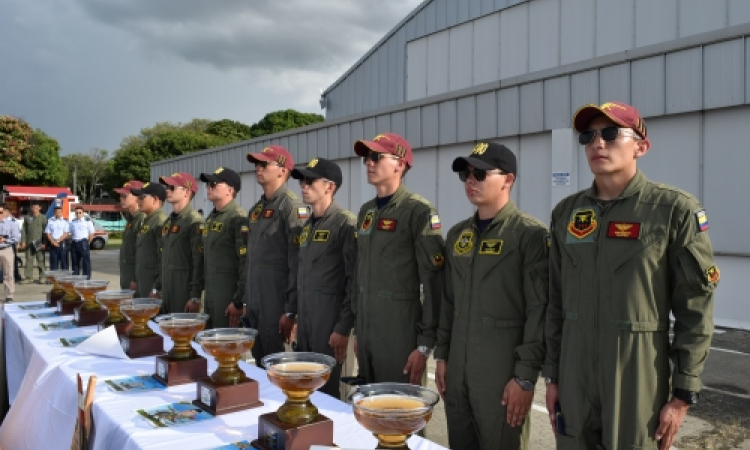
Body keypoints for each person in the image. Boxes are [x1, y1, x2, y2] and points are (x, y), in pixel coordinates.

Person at [544, 101, 718, 450]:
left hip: (637, 375)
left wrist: (683, 393)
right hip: (575, 376)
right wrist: (553, 375)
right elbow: (556, 300)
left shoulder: (673, 211)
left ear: (641, 146)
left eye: (610, 134)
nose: (597, 143)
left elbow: (695, 307)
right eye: (588, 136)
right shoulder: (567, 213)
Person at [434, 143, 549, 449]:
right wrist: (442, 356)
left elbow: (539, 312)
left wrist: (525, 377)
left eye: (481, 173)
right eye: (465, 174)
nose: (471, 180)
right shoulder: (459, 235)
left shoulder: (529, 236)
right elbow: (448, 301)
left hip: (500, 376)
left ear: (508, 180)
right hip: (458, 372)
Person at [352, 132, 445, 384]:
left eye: (376, 157)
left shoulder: (418, 211)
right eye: (366, 159)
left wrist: (424, 345)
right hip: (368, 332)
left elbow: (434, 282)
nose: (369, 163)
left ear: (400, 164)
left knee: (401, 415)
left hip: (399, 335)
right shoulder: (366, 212)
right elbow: (359, 274)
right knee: (369, 412)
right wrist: (359, 332)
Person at [290, 157, 357, 397]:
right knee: (305, 387)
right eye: (302, 181)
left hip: (330, 324)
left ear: (329, 186)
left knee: (329, 392)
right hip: (307, 321)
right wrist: (295, 314)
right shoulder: (308, 226)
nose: (303, 185)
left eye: (309, 180)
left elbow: (353, 280)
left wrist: (343, 327)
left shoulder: (345, 224)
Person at [244, 146, 306, 365]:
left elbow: (297, 261)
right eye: (256, 165)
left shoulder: (291, 206)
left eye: (264, 164)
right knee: (259, 360)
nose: (258, 169)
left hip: (276, 302)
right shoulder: (257, 209)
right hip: (255, 300)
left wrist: (291, 310)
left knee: (278, 365)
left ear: (282, 170)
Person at [194, 167, 247, 329]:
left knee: (228, 346)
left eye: (214, 184)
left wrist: (238, 301)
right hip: (211, 295)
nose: (209, 187)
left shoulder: (237, 217)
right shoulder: (211, 218)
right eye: (208, 184)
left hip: (227, 295)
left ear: (230, 190)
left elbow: (245, 262)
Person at [154, 173, 204, 314]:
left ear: (187, 192)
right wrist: (157, 287)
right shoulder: (168, 222)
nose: (167, 191)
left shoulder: (194, 221)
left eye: (172, 187)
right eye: (166, 187)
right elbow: (162, 257)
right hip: (167, 288)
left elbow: (198, 261)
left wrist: (195, 296)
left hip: (183, 290)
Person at [130, 183, 168, 298]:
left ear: (155, 199)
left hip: (151, 284)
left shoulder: (160, 221)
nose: (138, 201)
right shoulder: (148, 220)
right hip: (144, 281)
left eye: (142, 198)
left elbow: (162, 259)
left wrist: (157, 288)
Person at [115, 180, 146, 290]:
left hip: (135, 279)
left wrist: (135, 279)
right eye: (120, 196)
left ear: (137, 197)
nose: (121, 199)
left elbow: (142, 254)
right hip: (127, 275)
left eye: (125, 196)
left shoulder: (142, 219)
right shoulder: (131, 219)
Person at [19, 203, 48, 284]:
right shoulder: (27, 217)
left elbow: (46, 231)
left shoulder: (43, 218)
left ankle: (42, 277)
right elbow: (24, 230)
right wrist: (23, 241)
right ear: (31, 208)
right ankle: (28, 277)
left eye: (36, 207)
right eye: (33, 207)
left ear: (40, 208)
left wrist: (45, 243)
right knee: (29, 260)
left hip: (39, 242)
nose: (34, 208)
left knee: (40, 260)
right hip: (29, 242)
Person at [0, 203, 21, 302]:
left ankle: (9, 295)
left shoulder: (12, 224)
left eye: (0, 212)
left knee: (8, 273)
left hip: (6, 249)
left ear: (5, 212)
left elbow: (16, 238)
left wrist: (5, 240)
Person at [69, 206, 95, 280]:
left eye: (80, 212)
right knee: (75, 262)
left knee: (86, 262)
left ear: (83, 213)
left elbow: (91, 233)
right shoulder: (73, 222)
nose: (78, 214)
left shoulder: (88, 222)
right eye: (76, 213)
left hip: (83, 242)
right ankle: (76, 279)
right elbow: (69, 232)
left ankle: (86, 279)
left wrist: (88, 242)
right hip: (74, 243)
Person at [45, 205, 70, 270]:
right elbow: (48, 233)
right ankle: (54, 279)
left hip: (62, 244)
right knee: (53, 263)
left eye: (59, 212)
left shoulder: (65, 222)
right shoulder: (50, 221)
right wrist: (53, 242)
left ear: (62, 212)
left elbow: (66, 233)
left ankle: (64, 279)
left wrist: (58, 241)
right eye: (56, 212)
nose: (58, 213)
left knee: (64, 262)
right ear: (54, 213)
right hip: (52, 244)